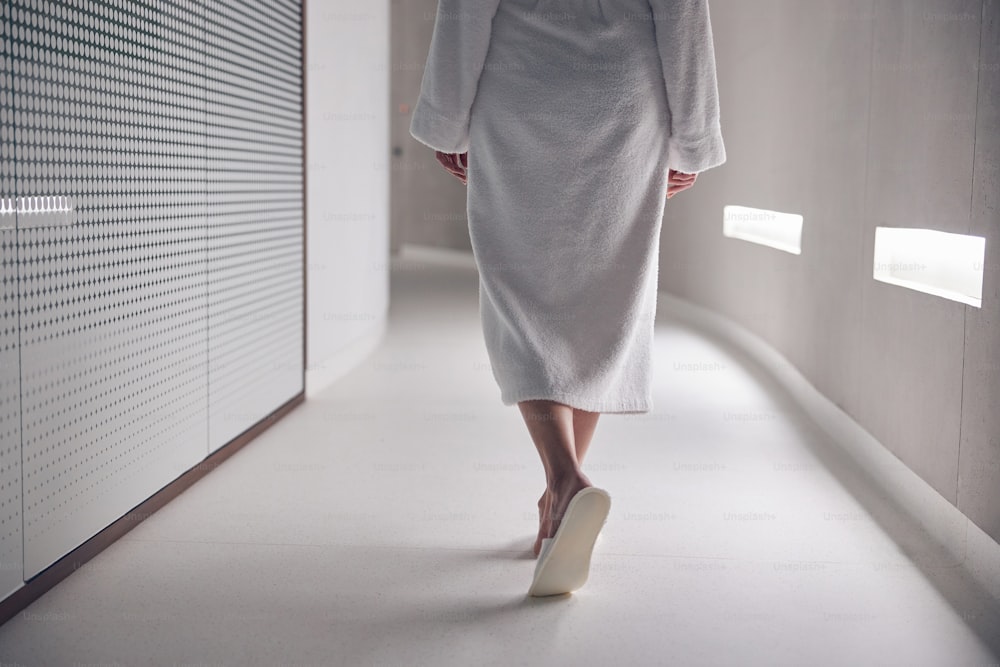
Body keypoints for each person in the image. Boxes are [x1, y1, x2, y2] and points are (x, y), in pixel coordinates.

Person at [409, 0, 726, 595]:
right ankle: (558, 500)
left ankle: (563, 480)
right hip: (625, 97)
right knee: (605, 293)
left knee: (520, 293)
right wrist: (693, 139)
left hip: (519, 89)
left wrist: (446, 120)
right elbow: (685, 14)